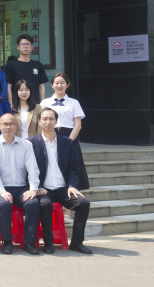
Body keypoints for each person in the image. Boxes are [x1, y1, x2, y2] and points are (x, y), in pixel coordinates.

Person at [31, 108, 93, 254]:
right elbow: (28, 169)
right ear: (39, 122)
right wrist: (37, 186)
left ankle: (76, 243)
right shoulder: (31, 143)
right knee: (45, 204)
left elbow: (74, 168)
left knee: (83, 203)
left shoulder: (67, 143)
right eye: (44, 119)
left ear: (56, 121)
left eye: (51, 119)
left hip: (64, 189)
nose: (48, 122)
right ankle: (48, 243)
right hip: (44, 189)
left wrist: (71, 185)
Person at [0, 113, 41, 255]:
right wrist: (2, 191)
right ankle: (7, 242)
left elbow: (33, 169)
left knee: (33, 203)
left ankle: (29, 243)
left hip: (21, 187)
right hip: (0, 188)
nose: (8, 127)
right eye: (5, 124)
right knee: (4, 204)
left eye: (11, 124)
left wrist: (33, 189)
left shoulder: (26, 145)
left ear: (17, 126)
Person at [40, 72, 89, 191]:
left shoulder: (74, 102)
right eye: (56, 83)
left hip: (69, 136)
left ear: (67, 85)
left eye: (62, 83)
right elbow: (40, 122)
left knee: (71, 164)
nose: (59, 86)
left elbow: (78, 125)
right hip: (51, 135)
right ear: (52, 85)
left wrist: (69, 141)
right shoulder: (45, 103)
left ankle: (72, 193)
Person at [4, 34, 48, 108]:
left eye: (28, 44)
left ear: (32, 47)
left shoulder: (38, 65)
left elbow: (41, 86)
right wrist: (11, 105)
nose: (25, 46)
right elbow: (9, 86)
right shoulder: (11, 65)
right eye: (23, 44)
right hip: (17, 106)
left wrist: (41, 105)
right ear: (18, 47)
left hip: (35, 105)